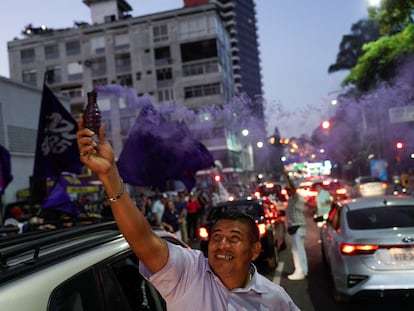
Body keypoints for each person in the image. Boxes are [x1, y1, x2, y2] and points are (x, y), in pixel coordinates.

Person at [76, 116, 300, 311]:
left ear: (255, 250)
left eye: (234, 238)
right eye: (217, 237)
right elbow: (143, 239)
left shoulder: (275, 299)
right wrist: (109, 175)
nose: (222, 245)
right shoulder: (189, 273)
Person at [283, 170, 308, 281]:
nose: (286, 192)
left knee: (297, 250)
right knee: (298, 250)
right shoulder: (292, 199)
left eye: (287, 190)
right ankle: (303, 270)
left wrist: (287, 176)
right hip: (297, 227)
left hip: (298, 226)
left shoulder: (296, 197)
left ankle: (300, 271)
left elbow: (293, 187)